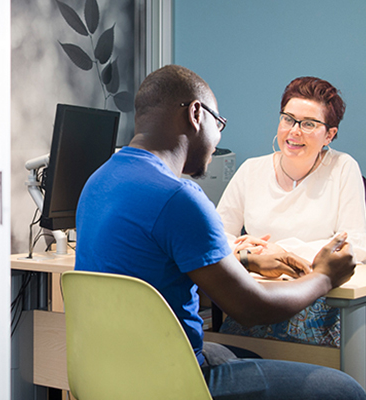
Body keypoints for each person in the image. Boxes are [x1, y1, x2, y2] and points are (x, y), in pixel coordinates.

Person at [74, 65, 366, 399]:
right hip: (173, 376)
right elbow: (253, 310)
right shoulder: (179, 197)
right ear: (197, 115)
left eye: (309, 123)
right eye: (219, 124)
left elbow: (171, 258)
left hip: (109, 371)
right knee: (346, 390)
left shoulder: (97, 181)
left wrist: (245, 259)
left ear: (329, 134)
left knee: (245, 356)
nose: (219, 139)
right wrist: (325, 277)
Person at [217, 76, 366, 347]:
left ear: (329, 134)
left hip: (320, 300)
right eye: (288, 119)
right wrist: (248, 254)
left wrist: (283, 254)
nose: (295, 131)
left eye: (309, 124)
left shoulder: (343, 168)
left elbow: (355, 243)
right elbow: (216, 237)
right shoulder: (252, 170)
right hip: (256, 295)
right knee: (230, 351)